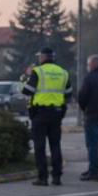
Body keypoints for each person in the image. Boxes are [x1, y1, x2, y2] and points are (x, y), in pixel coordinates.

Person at [20, 46, 72, 186]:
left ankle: (42, 178)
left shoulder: (38, 72)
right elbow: (68, 93)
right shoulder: (63, 72)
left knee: (40, 146)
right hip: (57, 113)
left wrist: (25, 77)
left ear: (42, 58)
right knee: (55, 146)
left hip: (40, 114)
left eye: (39, 57)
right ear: (53, 58)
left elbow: (26, 91)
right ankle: (57, 177)